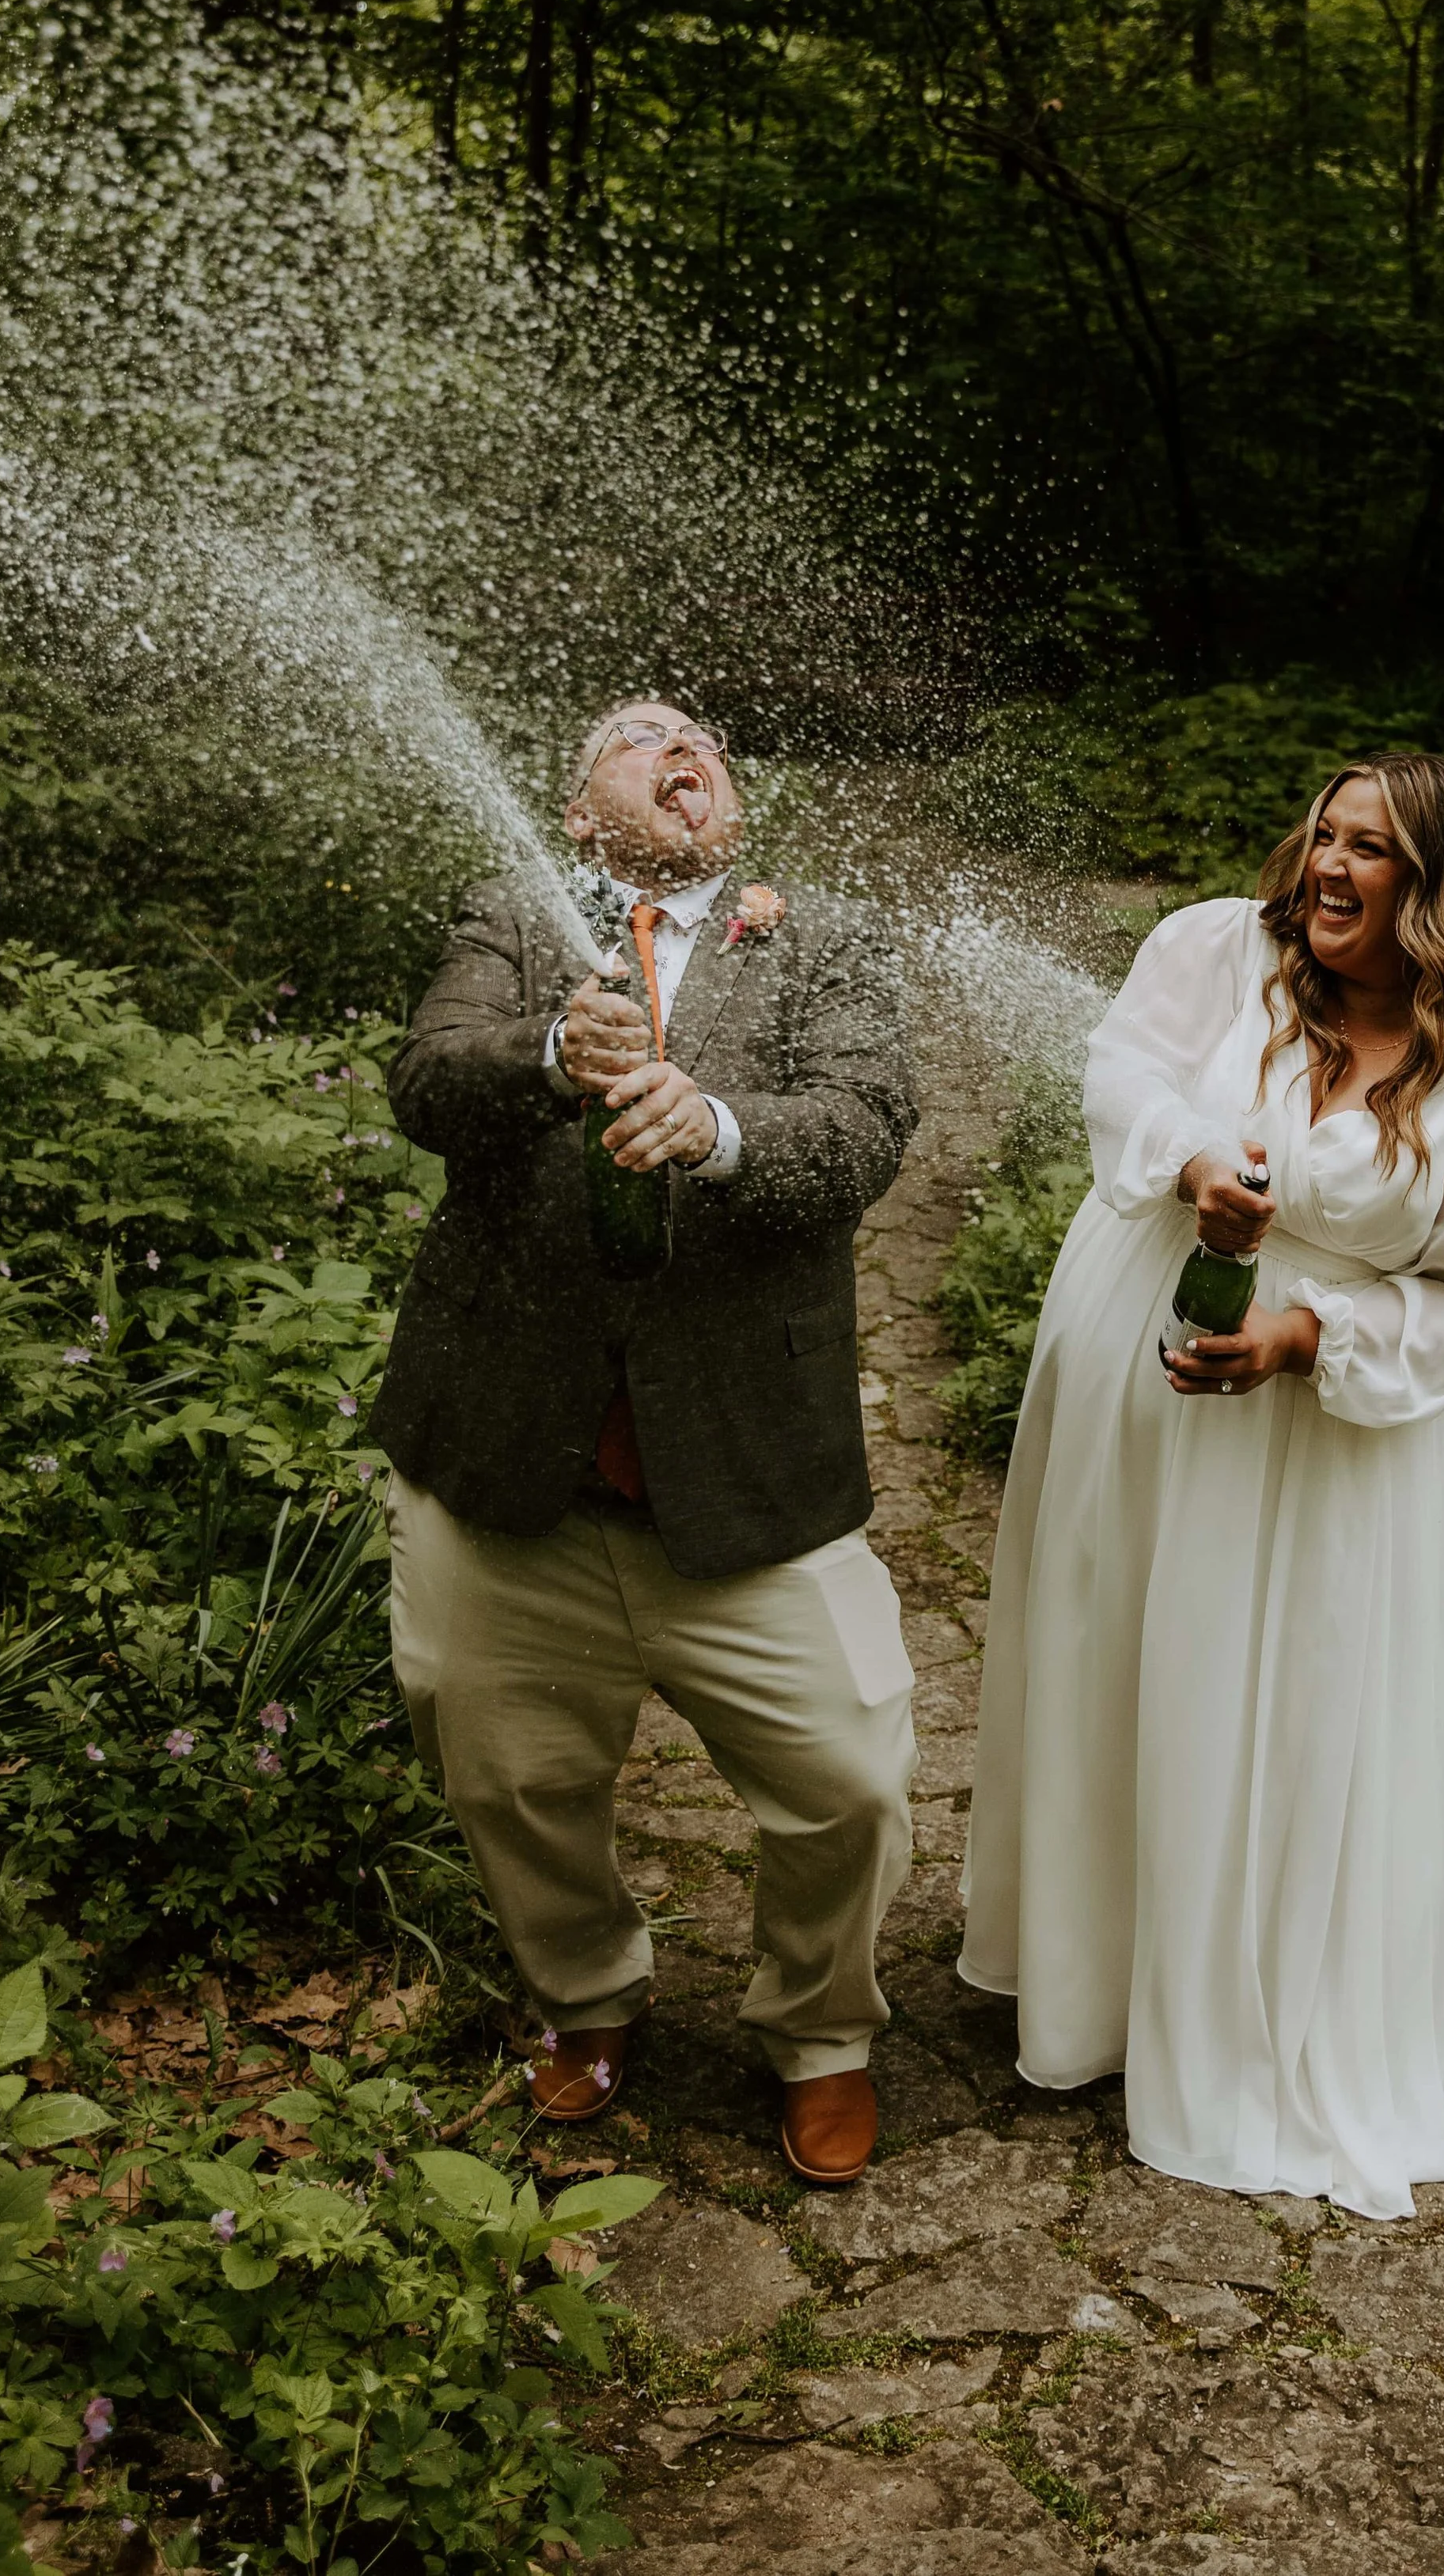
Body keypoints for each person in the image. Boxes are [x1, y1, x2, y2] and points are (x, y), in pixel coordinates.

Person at [960, 752, 1444, 2219]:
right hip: (1152, 1379)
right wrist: (1187, 1159)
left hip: (1348, 1441)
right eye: (1326, 834)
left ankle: (1266, 2014)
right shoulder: (1212, 953)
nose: (1327, 867)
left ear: (1435, 894)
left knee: (1306, 1709)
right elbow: (1119, 1063)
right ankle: (1111, 1982)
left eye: (1372, 851)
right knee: (1138, 1664)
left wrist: (1307, 1336)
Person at [373, 697, 919, 2186]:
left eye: (703, 737)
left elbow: (870, 1118)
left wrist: (722, 1129)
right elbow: (429, 1077)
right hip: (512, 1456)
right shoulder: (513, 913)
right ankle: (584, 1995)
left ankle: (818, 2029)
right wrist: (552, 1048)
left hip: (744, 1461)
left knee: (851, 1769)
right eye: (635, 734)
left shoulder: (820, 936)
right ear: (575, 811)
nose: (685, 745)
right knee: (502, 1765)